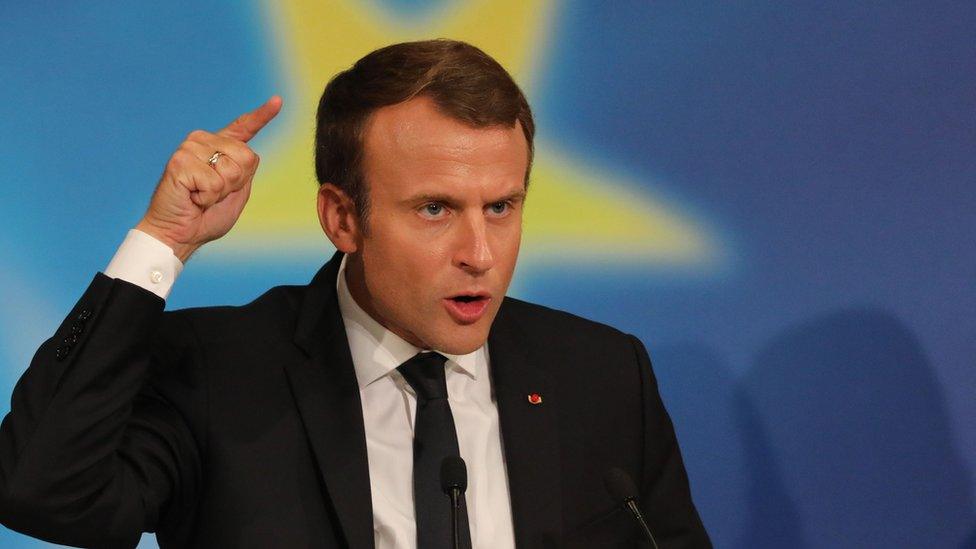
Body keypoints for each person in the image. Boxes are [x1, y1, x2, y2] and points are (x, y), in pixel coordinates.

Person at [0, 40, 710, 548]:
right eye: (435, 209)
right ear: (343, 218)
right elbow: (43, 493)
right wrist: (164, 239)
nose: (480, 254)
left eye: (501, 206)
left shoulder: (600, 374)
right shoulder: (218, 371)